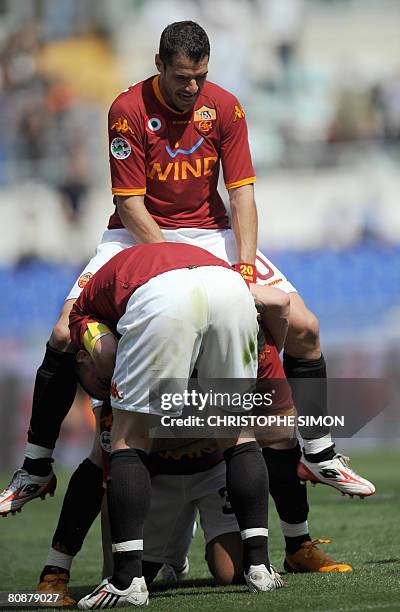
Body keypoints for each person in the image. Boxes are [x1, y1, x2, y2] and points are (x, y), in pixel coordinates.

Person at [0, 20, 373, 519]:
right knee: (63, 333)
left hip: (210, 234)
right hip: (135, 234)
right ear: (159, 66)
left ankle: (320, 452)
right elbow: (130, 205)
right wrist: (175, 263)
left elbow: (241, 195)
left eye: (200, 77)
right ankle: (36, 465)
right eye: (182, 78)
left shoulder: (225, 106)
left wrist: (240, 268)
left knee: (305, 326)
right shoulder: (127, 110)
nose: (192, 88)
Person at [37, 313, 351, 607]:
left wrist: (210, 428)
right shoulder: (121, 376)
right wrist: (57, 568)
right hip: (159, 481)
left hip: (214, 471)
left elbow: (280, 429)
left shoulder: (228, 350)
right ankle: (174, 549)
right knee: (123, 568)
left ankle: (284, 545)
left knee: (230, 572)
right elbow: (100, 467)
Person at [67, 241, 284, 606]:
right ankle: (260, 567)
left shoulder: (84, 306)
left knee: (129, 439)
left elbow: (105, 356)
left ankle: (126, 581)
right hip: (231, 289)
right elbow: (281, 306)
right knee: (238, 432)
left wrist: (119, 388)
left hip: (164, 299)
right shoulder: (180, 254)